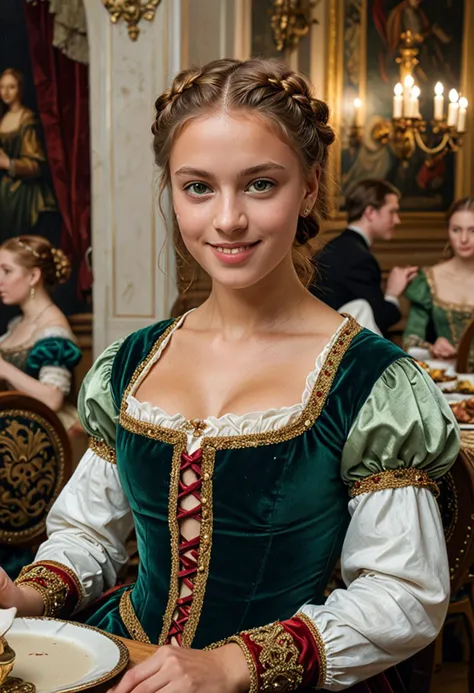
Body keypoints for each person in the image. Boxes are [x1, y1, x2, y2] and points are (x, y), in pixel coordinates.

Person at [0, 59, 459, 693]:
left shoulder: (372, 385)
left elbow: (402, 594)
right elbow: (89, 532)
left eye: (260, 184)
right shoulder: (131, 364)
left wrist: (232, 663)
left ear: (310, 187)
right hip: (125, 656)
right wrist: (25, 595)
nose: (228, 219)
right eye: (198, 187)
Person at [311, 178, 418, 336]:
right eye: (392, 212)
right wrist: (393, 293)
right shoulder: (359, 258)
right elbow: (375, 323)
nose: (397, 220)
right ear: (370, 213)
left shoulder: (338, 247)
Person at [0, 235, 82, 432]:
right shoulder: (17, 324)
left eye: (7, 271)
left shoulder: (53, 331)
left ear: (33, 277)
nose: (0, 280)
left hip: (39, 435)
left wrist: (5, 369)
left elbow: (53, 398)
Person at [404, 197, 474, 367]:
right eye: (456, 230)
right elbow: (410, 343)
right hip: (449, 381)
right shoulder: (430, 279)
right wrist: (432, 348)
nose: (463, 239)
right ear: (448, 231)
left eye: (473, 230)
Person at [0, 69, 57, 241]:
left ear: (21, 89)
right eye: (2, 87)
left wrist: (8, 164)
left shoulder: (27, 120)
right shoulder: (3, 117)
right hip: (7, 193)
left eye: (11, 87)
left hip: (26, 197)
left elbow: (37, 165)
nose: (6, 92)